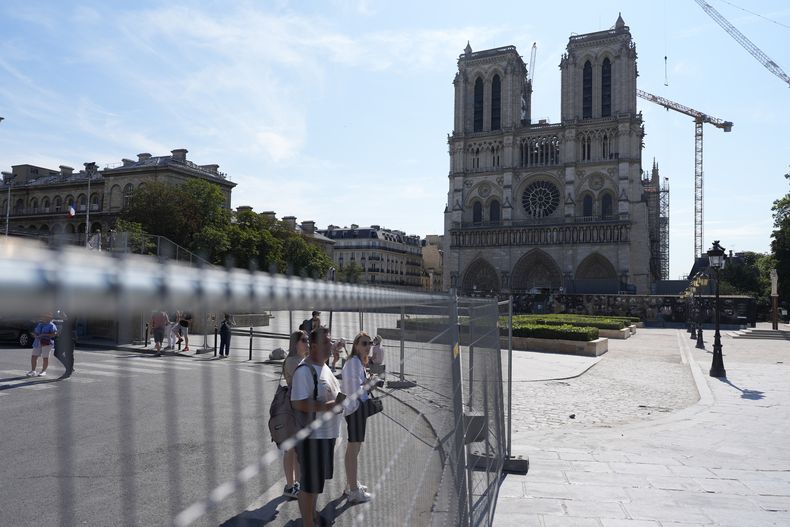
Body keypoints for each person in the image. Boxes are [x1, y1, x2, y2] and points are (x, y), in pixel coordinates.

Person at [290, 325, 342, 527]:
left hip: (326, 436)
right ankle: (308, 523)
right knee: (309, 485)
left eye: (330, 340)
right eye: (327, 342)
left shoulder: (324, 366)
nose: (331, 344)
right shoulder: (305, 370)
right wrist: (329, 406)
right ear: (313, 347)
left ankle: (312, 516)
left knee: (316, 484)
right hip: (312, 438)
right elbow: (298, 402)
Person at [341, 332, 375, 503]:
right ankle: (353, 491)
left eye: (370, 343)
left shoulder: (356, 363)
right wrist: (369, 384)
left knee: (354, 448)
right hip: (355, 409)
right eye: (364, 343)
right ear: (355, 345)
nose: (368, 346)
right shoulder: (354, 363)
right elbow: (356, 390)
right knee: (354, 450)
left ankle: (351, 484)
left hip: (355, 409)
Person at [280, 329, 309, 499]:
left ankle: (298, 484)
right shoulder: (292, 361)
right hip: (291, 409)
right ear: (295, 343)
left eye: (307, 339)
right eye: (304, 340)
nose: (307, 342)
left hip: (301, 408)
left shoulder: (303, 360)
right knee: (290, 449)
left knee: (298, 450)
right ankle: (290, 485)